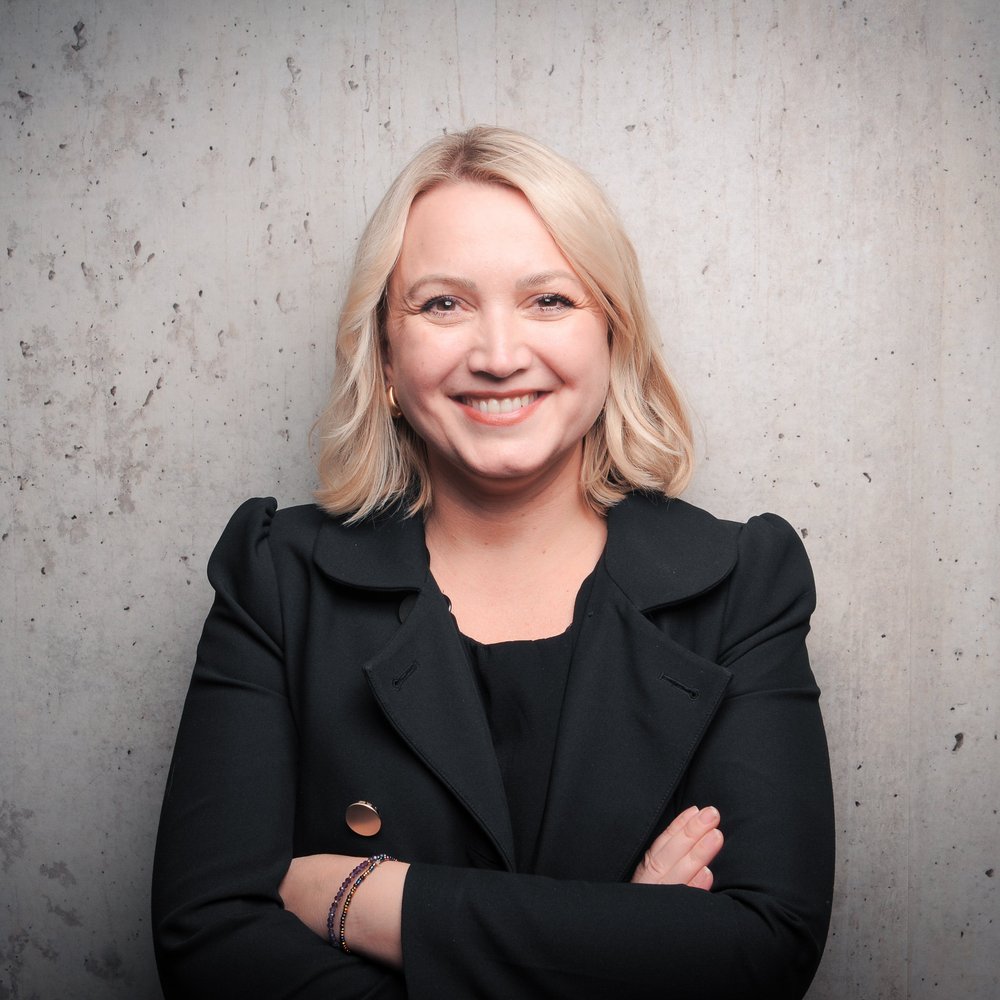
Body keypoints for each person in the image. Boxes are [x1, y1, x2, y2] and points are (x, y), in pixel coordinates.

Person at [151, 126, 835, 1000]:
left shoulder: (744, 585)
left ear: (613, 336)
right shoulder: (276, 581)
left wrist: (370, 899)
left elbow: (762, 951)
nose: (500, 355)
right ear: (386, 354)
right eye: (443, 304)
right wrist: (622, 940)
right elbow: (209, 950)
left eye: (549, 300)